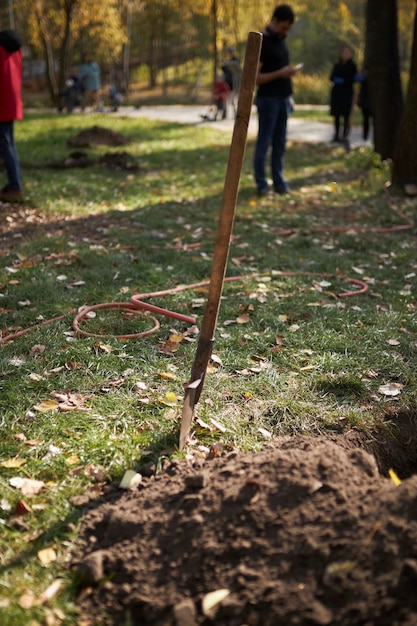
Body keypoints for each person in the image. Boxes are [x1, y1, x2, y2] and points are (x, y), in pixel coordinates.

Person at [253, 4, 297, 197]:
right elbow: (255, 78)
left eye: (288, 28)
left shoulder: (281, 41)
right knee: (264, 141)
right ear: (275, 20)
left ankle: (279, 181)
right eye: (284, 27)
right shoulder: (263, 42)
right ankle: (262, 183)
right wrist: (281, 73)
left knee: (280, 143)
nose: (285, 31)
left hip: (283, 99)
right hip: (268, 100)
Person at [0, 29, 23, 202]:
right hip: (12, 99)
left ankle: (15, 185)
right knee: (9, 144)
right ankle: (14, 184)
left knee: (5, 145)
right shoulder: (13, 48)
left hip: (2, 101)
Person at [330, 45, 358, 144]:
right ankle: (336, 135)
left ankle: (345, 135)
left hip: (347, 93)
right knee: (337, 115)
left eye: (348, 53)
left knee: (346, 115)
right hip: (337, 93)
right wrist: (337, 80)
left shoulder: (352, 66)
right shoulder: (337, 66)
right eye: (344, 53)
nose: (346, 55)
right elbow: (331, 77)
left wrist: (345, 81)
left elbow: (353, 78)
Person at [221, 46, 241, 117]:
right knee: (226, 101)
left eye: (230, 52)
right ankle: (224, 115)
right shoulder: (226, 63)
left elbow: (238, 70)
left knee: (233, 101)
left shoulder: (236, 61)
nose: (229, 54)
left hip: (234, 84)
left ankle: (236, 116)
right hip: (227, 85)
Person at [357, 65, 372, 141]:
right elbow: (358, 79)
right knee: (366, 118)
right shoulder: (364, 73)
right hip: (365, 100)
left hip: (370, 99)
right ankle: (365, 136)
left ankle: (366, 136)